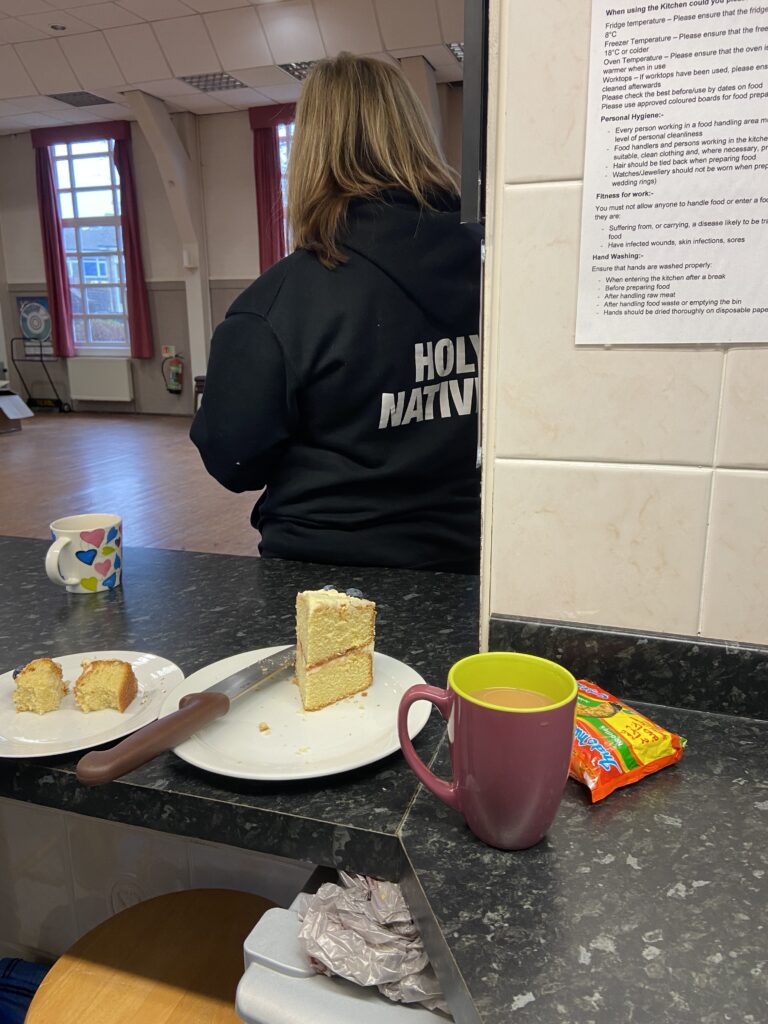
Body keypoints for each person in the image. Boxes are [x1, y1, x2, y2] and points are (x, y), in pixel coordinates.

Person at [191, 52, 481, 573]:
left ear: (308, 154)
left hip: (321, 576)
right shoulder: (496, 267)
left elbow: (233, 461)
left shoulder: (277, 305)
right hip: (470, 564)